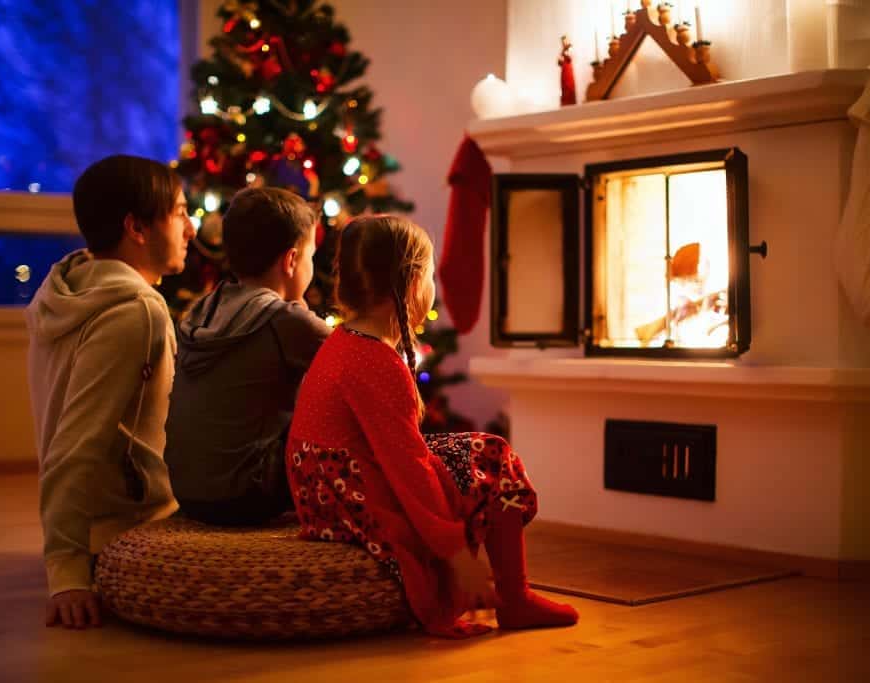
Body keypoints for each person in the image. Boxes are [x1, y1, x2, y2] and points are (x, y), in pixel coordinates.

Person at [286, 215, 579, 638]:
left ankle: (516, 598)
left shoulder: (344, 341)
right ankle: (514, 599)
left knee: (481, 450)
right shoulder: (376, 363)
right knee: (493, 458)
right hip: (353, 498)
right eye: (430, 274)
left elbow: (396, 449)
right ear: (410, 284)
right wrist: (457, 553)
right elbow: (407, 469)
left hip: (325, 494)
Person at [26, 154, 195, 629]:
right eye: (180, 213)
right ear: (136, 228)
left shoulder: (69, 286)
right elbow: (75, 445)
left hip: (100, 527)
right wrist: (67, 574)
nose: (192, 229)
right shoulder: (135, 312)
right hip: (133, 532)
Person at [165, 187, 330, 526]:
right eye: (311, 257)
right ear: (292, 260)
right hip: (249, 496)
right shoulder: (285, 320)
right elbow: (360, 364)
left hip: (187, 490)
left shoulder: (205, 310)